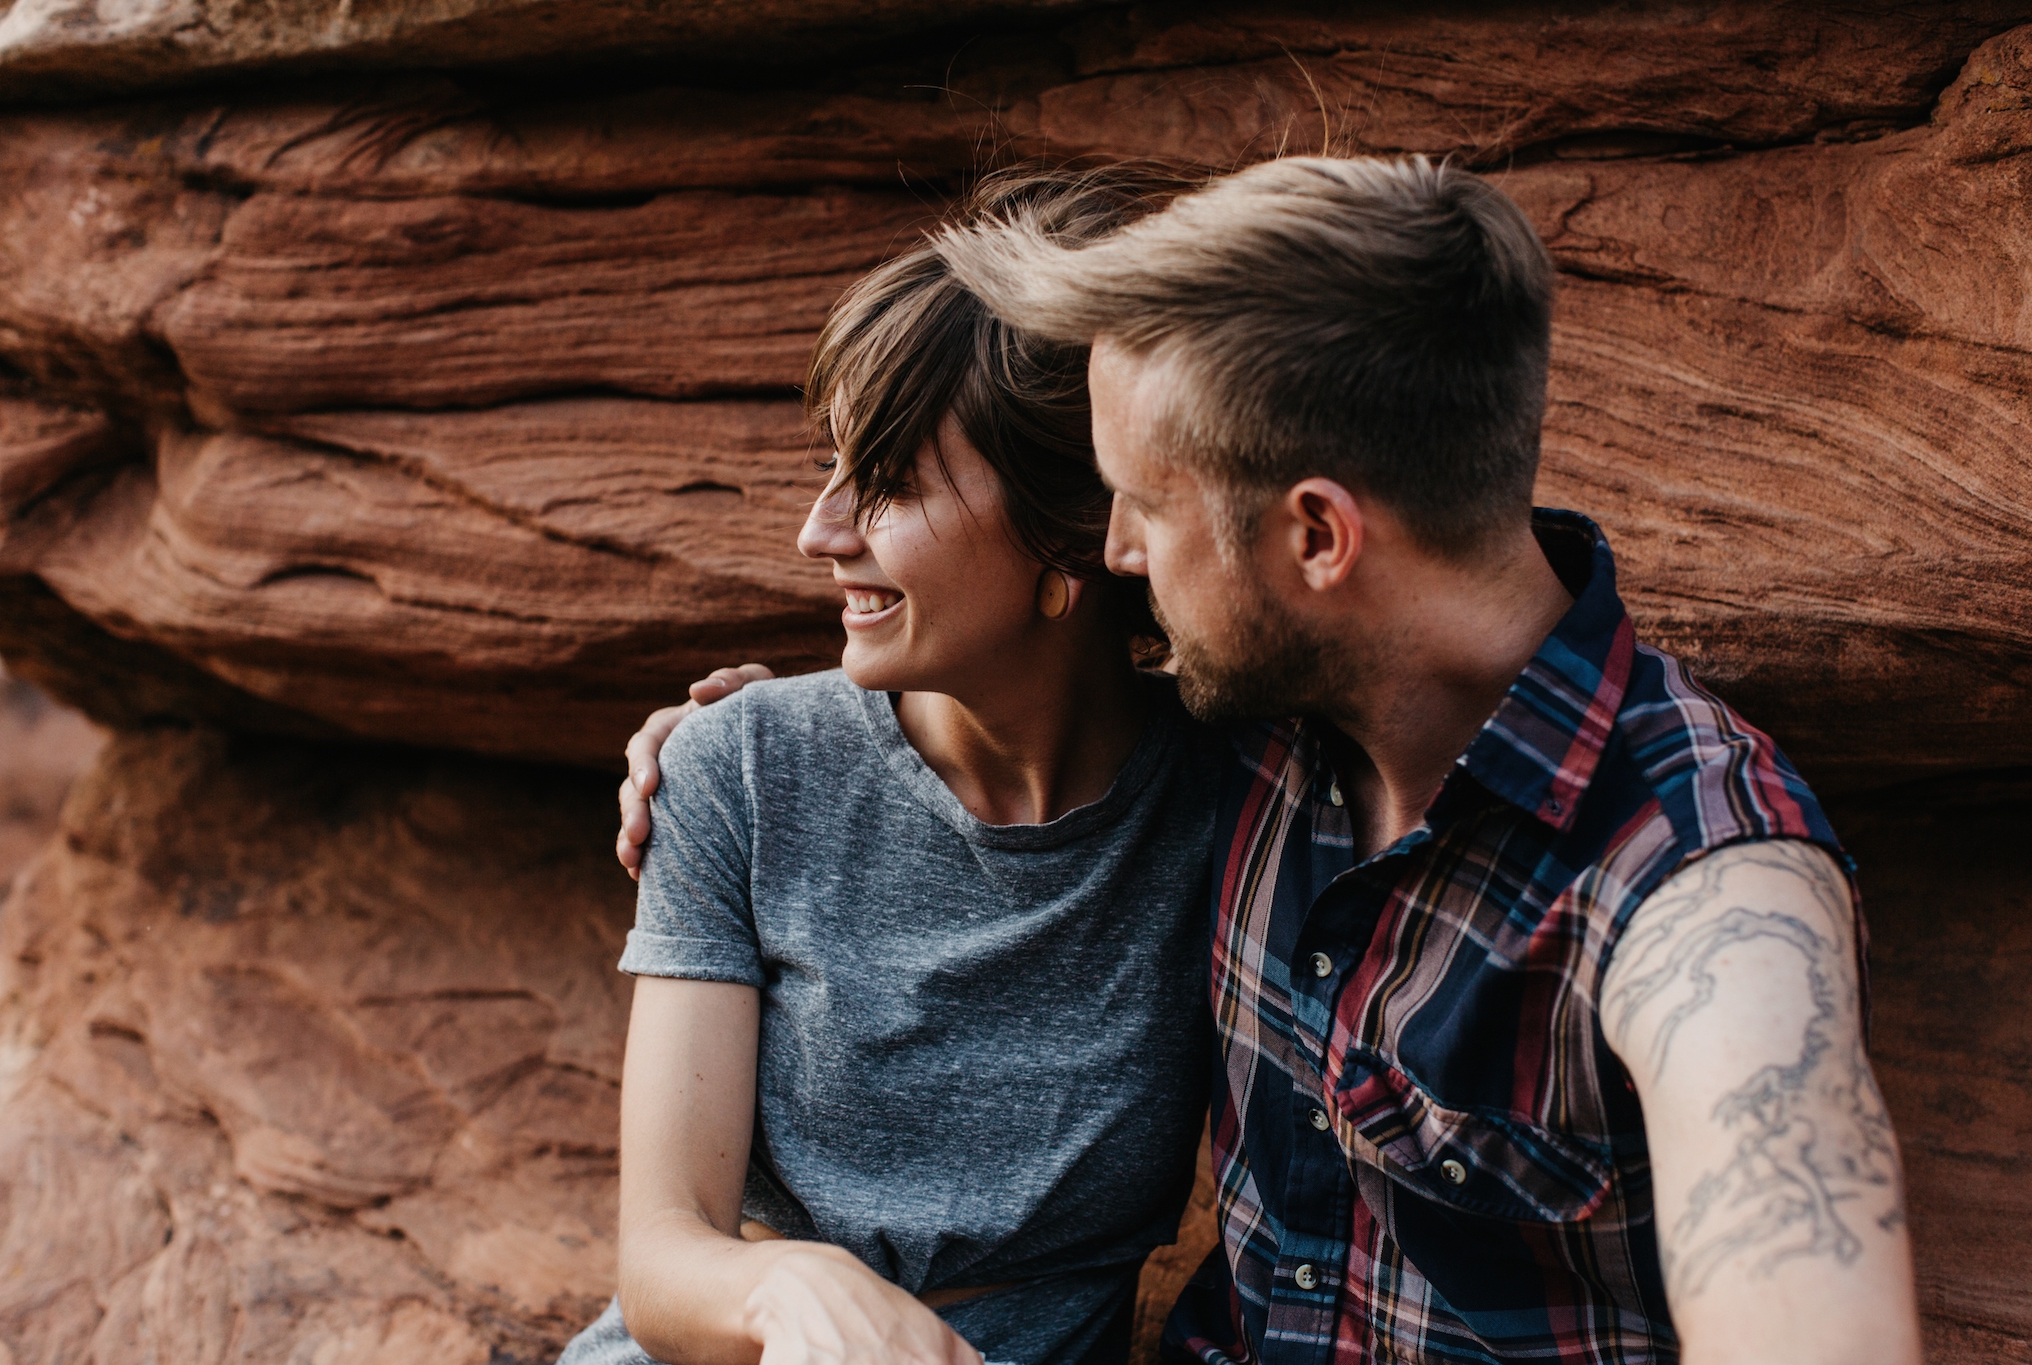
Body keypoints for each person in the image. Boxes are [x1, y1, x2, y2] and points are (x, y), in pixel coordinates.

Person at [622, 155, 1922, 1364]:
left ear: (1316, 541)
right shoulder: (1267, 732)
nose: (1115, 553)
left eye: (1147, 506)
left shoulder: (1711, 897)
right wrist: (737, 744)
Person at [563, 168, 1220, 1365]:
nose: (819, 533)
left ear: (1074, 533)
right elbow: (661, 1258)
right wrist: (791, 1290)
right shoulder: (738, 768)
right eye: (831, 467)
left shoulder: (1234, 795)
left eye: (889, 485)